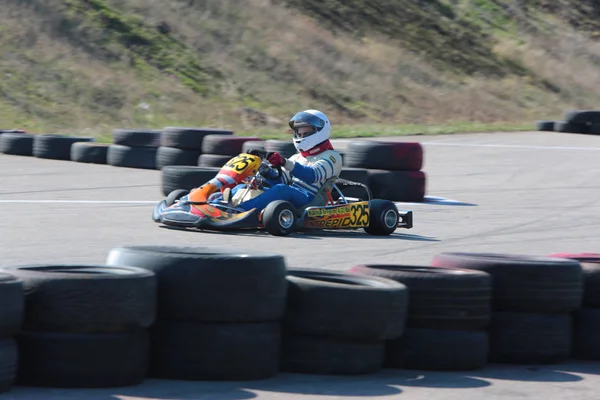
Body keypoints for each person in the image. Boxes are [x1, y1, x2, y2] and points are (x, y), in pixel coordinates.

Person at [229, 109, 343, 212]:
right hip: (291, 194)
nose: (301, 136)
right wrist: (264, 168)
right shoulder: (297, 157)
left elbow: (312, 175)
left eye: (306, 133)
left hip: (310, 200)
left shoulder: (332, 156)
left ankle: (241, 210)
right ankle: (220, 204)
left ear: (320, 131)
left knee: (282, 190)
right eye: (299, 133)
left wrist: (284, 162)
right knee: (247, 185)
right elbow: (281, 180)